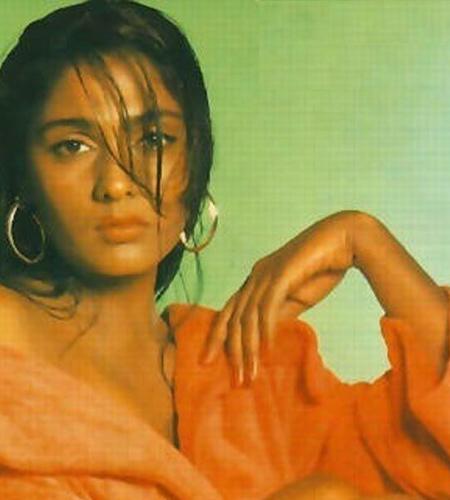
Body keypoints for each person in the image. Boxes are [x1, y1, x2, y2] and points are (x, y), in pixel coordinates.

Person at [0, 0, 447, 498]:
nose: (116, 183)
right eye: (72, 146)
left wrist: (363, 239)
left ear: (195, 161)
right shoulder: (9, 349)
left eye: (153, 139)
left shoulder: (239, 368)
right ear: (25, 179)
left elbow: (431, 462)